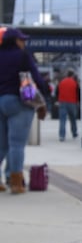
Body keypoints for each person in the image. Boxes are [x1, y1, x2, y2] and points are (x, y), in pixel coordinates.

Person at [0, 26, 49, 193]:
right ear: (15, 41)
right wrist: (43, 100)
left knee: (1, 145)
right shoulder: (22, 56)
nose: (24, 43)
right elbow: (36, 78)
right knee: (16, 144)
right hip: (18, 102)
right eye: (22, 40)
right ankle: (15, 182)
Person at [57, 69, 80, 141]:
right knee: (73, 119)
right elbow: (78, 93)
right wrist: (78, 101)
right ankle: (74, 132)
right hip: (72, 102)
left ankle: (62, 136)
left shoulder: (61, 82)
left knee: (62, 120)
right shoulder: (75, 83)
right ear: (73, 75)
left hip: (62, 102)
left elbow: (57, 92)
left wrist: (58, 100)